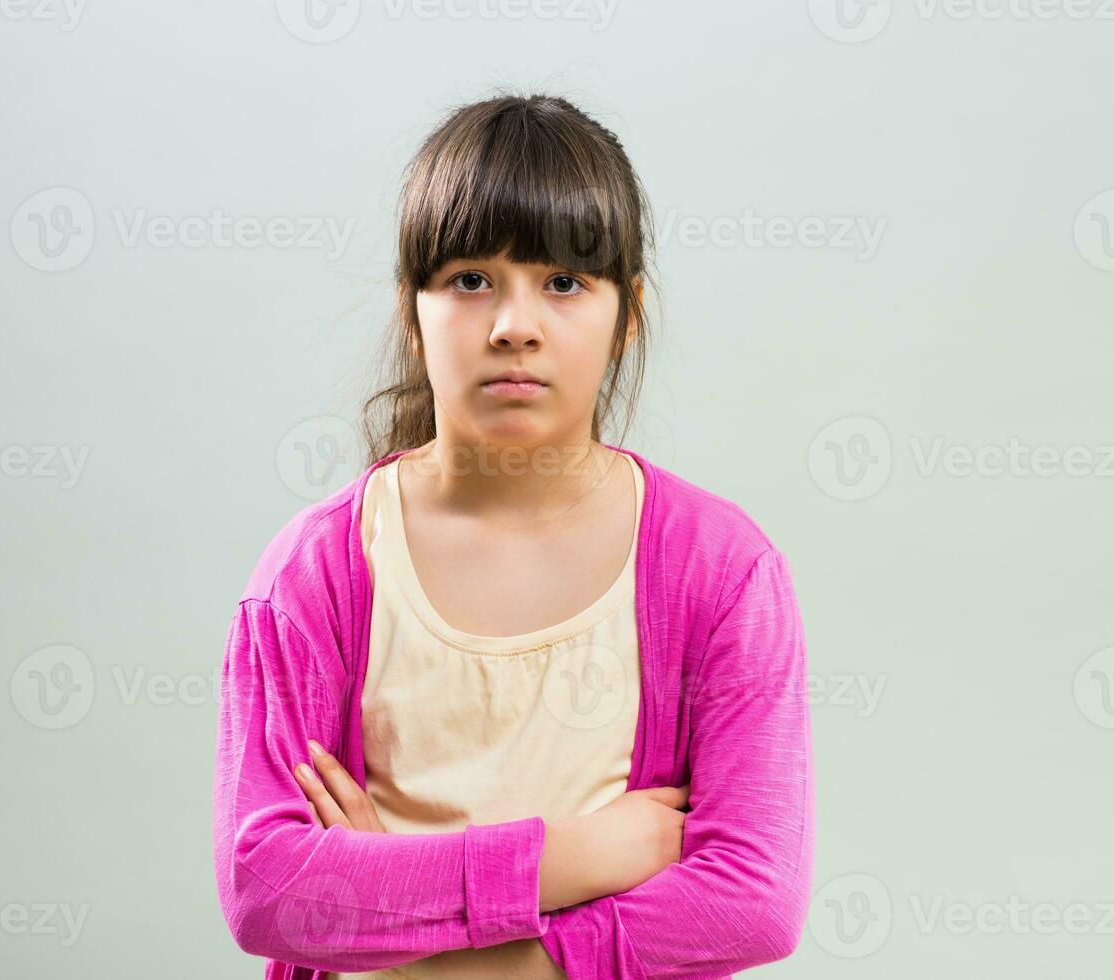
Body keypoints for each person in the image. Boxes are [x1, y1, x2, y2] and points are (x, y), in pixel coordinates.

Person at [212, 92, 814, 980]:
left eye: (564, 283)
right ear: (411, 314)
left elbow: (752, 900)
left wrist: (429, 951)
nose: (514, 326)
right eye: (469, 280)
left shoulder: (720, 571)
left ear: (628, 315)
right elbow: (267, 889)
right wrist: (583, 853)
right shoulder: (319, 572)